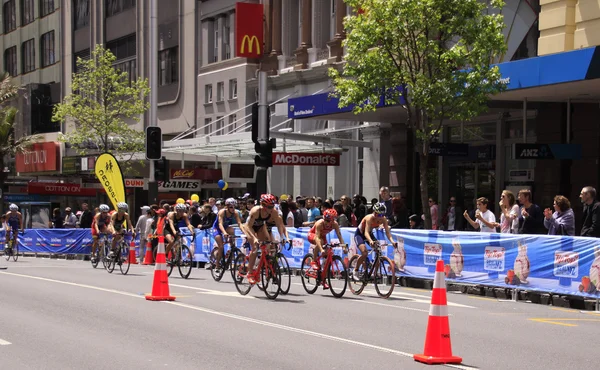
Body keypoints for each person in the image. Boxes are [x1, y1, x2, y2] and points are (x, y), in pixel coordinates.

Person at [244, 194, 288, 284]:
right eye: (269, 207)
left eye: (272, 206)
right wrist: (255, 238)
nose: (271, 208)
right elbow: (248, 227)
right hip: (250, 228)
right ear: (263, 206)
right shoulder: (255, 211)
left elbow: (280, 225)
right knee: (255, 248)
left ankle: (261, 265)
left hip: (260, 226)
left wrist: (282, 237)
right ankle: (250, 273)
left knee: (267, 245)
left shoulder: (274, 212)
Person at [352, 202, 397, 276]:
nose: (380, 217)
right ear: (375, 213)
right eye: (379, 215)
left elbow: (388, 233)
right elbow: (366, 232)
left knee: (378, 252)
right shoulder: (369, 218)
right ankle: (356, 269)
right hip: (360, 234)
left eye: (382, 215)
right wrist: (370, 241)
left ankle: (374, 275)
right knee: (364, 252)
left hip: (369, 234)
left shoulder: (383, 219)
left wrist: (392, 242)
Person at [308, 208, 346, 289]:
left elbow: (340, 236)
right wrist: (321, 249)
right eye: (326, 220)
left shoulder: (335, 224)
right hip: (312, 235)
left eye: (330, 221)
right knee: (320, 242)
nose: (328, 223)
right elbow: (317, 237)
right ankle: (314, 261)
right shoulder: (319, 223)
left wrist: (344, 246)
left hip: (323, 236)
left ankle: (323, 279)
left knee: (328, 256)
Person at [212, 198, 244, 272]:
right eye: (231, 207)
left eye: (234, 207)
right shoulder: (222, 212)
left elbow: (239, 223)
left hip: (226, 227)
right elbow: (220, 224)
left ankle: (232, 247)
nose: (233, 209)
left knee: (232, 230)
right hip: (217, 228)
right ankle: (217, 265)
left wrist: (244, 232)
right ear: (226, 207)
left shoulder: (235, 213)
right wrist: (225, 233)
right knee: (221, 246)